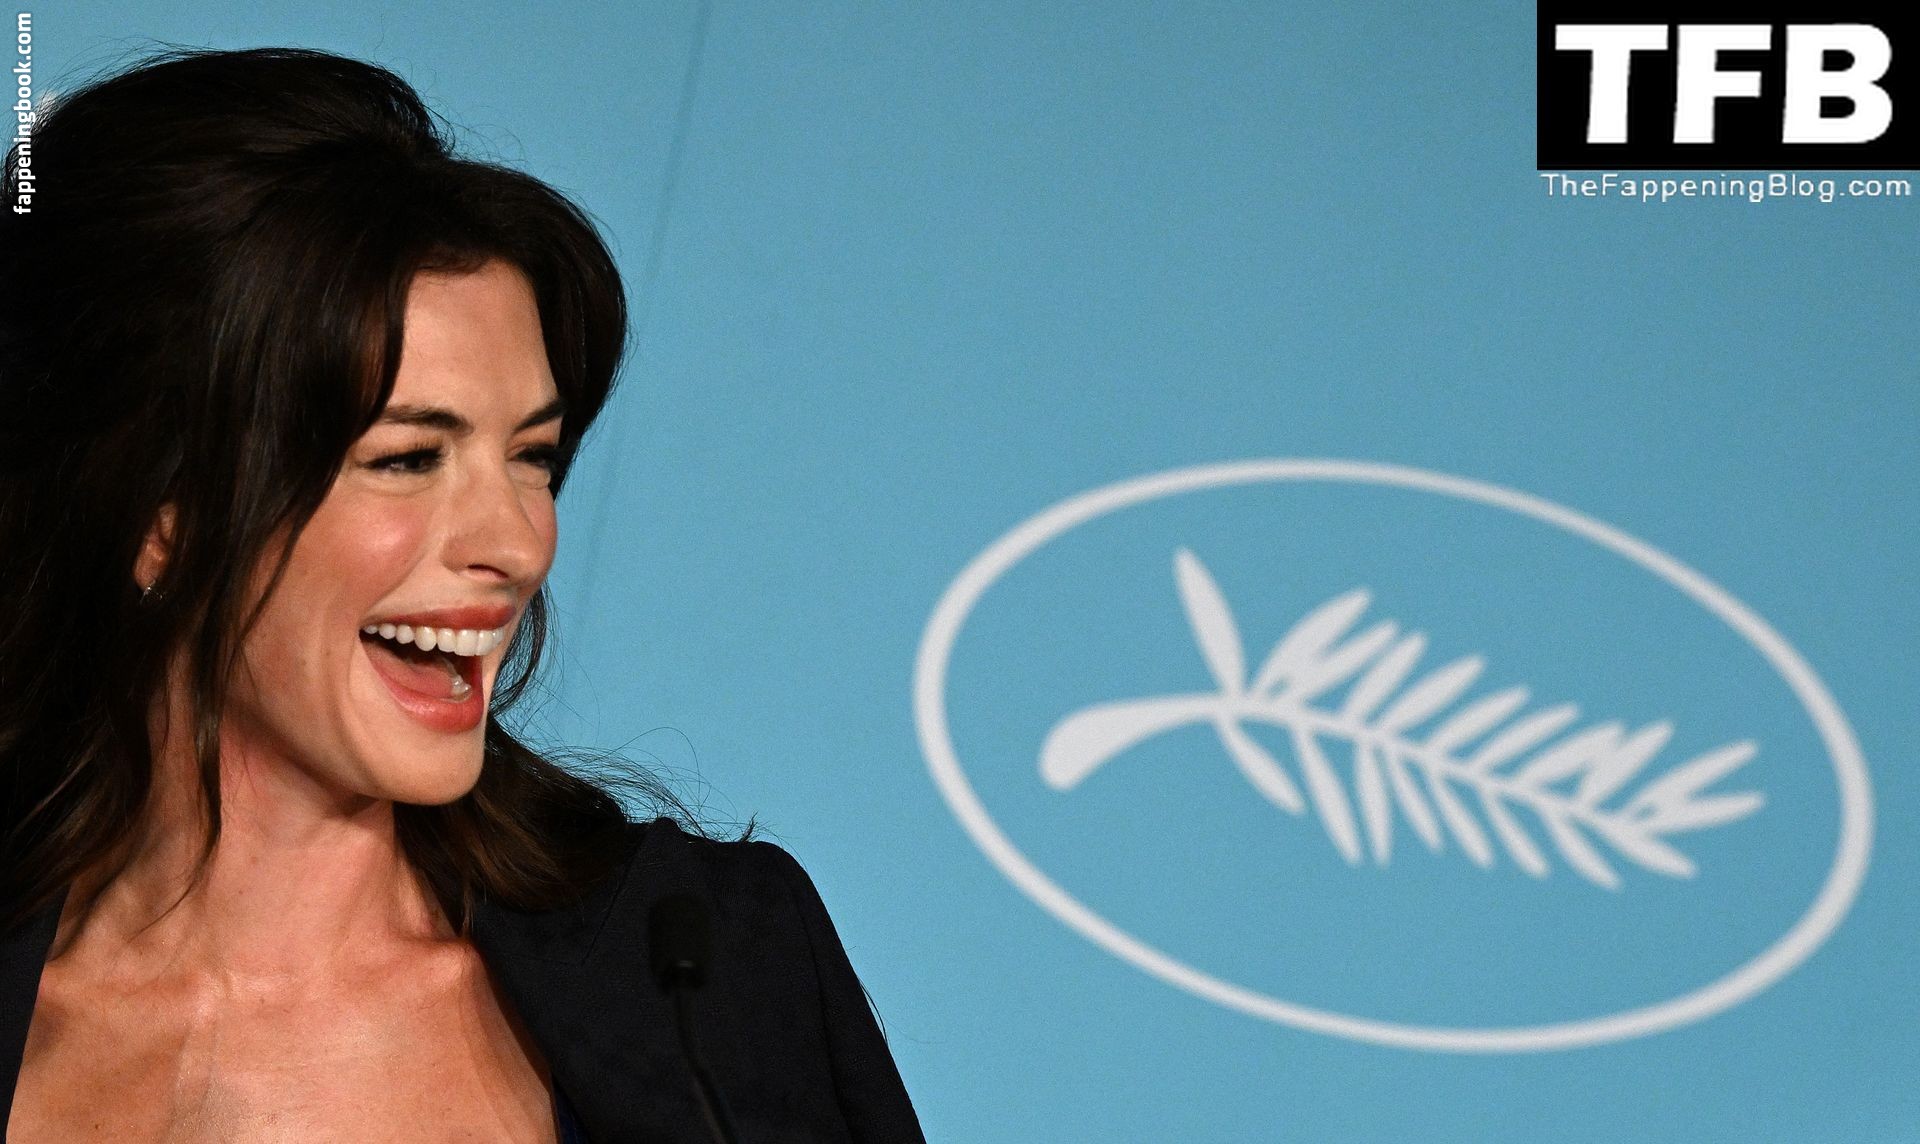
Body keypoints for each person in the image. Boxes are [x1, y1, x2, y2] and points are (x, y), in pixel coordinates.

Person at [0, 46, 924, 1142]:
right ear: (165, 519)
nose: (518, 543)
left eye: (533, 456)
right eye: (408, 458)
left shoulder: (709, 975)